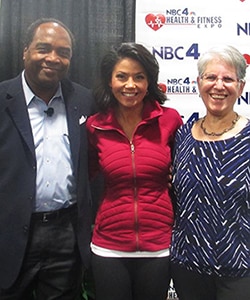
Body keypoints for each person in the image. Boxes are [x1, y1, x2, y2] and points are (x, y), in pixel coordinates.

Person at [0, 18, 95, 299]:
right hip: (10, 234)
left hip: (67, 234)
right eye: (43, 49)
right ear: (25, 51)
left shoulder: (85, 100)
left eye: (63, 52)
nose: (53, 58)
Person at [86, 42, 183, 300]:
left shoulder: (170, 120)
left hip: (158, 246)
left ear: (150, 82)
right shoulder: (95, 126)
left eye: (139, 77)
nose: (131, 85)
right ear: (109, 81)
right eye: (122, 76)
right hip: (109, 247)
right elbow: (86, 180)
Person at [170, 45, 250, 300]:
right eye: (211, 77)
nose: (219, 85)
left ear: (241, 87)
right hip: (187, 265)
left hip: (239, 268)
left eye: (228, 79)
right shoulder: (182, 136)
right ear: (198, 83)